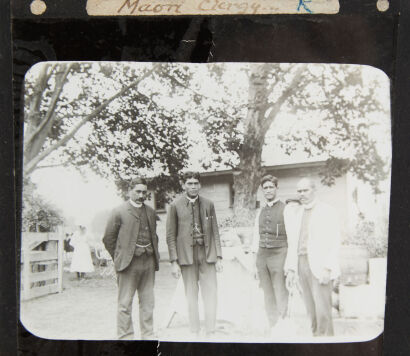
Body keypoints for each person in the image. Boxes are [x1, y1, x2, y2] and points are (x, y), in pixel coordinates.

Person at [166, 171, 223, 336]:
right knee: (191, 295)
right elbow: (170, 235)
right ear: (184, 185)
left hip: (207, 255)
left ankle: (210, 330)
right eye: (189, 183)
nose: (193, 186)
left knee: (210, 293)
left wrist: (218, 256)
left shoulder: (208, 204)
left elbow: (215, 231)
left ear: (200, 185)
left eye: (195, 183)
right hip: (186, 257)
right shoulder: (175, 206)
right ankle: (194, 330)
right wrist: (173, 261)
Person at [103, 177, 160, 340]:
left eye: (144, 192)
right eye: (138, 191)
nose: (142, 195)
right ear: (129, 192)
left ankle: (148, 335)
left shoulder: (150, 212)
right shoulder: (118, 211)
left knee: (148, 302)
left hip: (148, 262)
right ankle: (126, 337)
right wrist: (120, 256)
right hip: (128, 264)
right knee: (124, 303)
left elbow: (154, 235)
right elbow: (108, 238)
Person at [284, 177, 340, 337]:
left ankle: (328, 345)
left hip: (319, 266)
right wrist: (291, 270)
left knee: (323, 311)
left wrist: (328, 268)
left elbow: (334, 241)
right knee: (310, 310)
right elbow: (293, 243)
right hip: (301, 264)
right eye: (299, 191)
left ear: (314, 190)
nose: (301, 194)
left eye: (305, 190)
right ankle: (317, 342)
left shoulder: (327, 211)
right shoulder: (297, 213)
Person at [251, 175, 288, 334]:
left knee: (279, 290)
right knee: (267, 291)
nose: (268, 190)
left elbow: (292, 236)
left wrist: (289, 263)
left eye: (271, 187)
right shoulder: (260, 211)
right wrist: (254, 262)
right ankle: (273, 325)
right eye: (265, 188)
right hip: (262, 256)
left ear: (276, 188)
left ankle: (284, 323)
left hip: (279, 254)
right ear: (262, 190)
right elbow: (255, 237)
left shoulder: (286, 209)